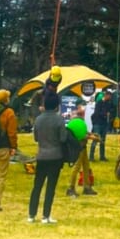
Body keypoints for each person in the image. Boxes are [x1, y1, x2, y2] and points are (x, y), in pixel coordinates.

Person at [28, 90, 68, 224]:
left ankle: (31, 214)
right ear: (57, 106)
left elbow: (36, 138)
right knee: (51, 187)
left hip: (41, 155)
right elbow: (63, 138)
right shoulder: (59, 119)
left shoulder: (38, 119)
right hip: (55, 155)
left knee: (37, 185)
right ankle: (46, 215)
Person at [65, 103, 98, 197]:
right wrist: (93, 138)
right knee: (76, 167)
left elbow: (84, 132)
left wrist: (91, 134)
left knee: (86, 166)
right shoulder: (78, 123)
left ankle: (87, 187)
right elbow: (82, 135)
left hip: (83, 147)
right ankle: (70, 187)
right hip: (79, 147)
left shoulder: (74, 123)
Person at [89, 90, 109, 162]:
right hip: (97, 124)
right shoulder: (99, 103)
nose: (110, 97)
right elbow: (97, 113)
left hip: (104, 124)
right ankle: (91, 156)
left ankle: (102, 156)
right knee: (95, 139)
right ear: (106, 95)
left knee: (103, 140)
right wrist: (104, 115)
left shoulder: (107, 103)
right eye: (109, 96)